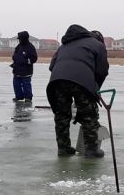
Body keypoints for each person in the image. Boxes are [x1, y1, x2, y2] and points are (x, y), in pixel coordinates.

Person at [46, 24, 109, 158]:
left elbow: (52, 66)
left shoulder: (63, 46)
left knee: (62, 115)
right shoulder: (98, 45)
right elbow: (102, 71)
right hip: (82, 81)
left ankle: (63, 148)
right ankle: (91, 150)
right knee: (89, 115)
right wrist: (95, 88)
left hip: (57, 80)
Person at [11, 30, 37, 102]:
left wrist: (26, 61)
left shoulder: (30, 47)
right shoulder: (18, 46)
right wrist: (14, 58)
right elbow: (15, 55)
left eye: (20, 39)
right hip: (17, 70)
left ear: (24, 38)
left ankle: (28, 98)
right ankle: (19, 97)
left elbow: (34, 58)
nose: (19, 40)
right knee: (16, 85)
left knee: (26, 85)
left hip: (26, 71)